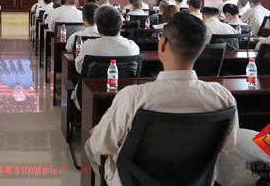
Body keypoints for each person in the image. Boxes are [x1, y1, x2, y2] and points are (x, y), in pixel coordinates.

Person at [85, 13, 238, 186]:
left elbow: (101, 145)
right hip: (194, 180)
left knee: (91, 144)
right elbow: (227, 144)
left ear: (163, 43)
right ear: (202, 49)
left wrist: (98, 132)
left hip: (134, 181)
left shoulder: (133, 96)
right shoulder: (223, 97)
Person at [74, 5, 139, 74]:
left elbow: (79, 69)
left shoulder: (88, 45)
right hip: (125, 81)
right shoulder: (133, 46)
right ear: (121, 25)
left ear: (98, 29)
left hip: (93, 81)